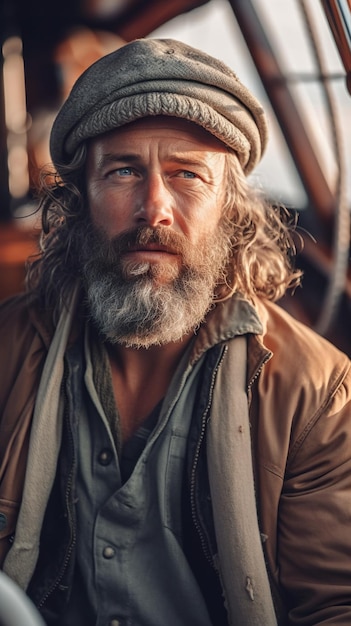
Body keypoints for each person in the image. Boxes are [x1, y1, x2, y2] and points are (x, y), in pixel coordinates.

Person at [0, 37, 350, 626]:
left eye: (188, 174)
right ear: (80, 198)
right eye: (123, 171)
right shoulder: (7, 349)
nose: (154, 207)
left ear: (231, 209)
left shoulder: (316, 393)